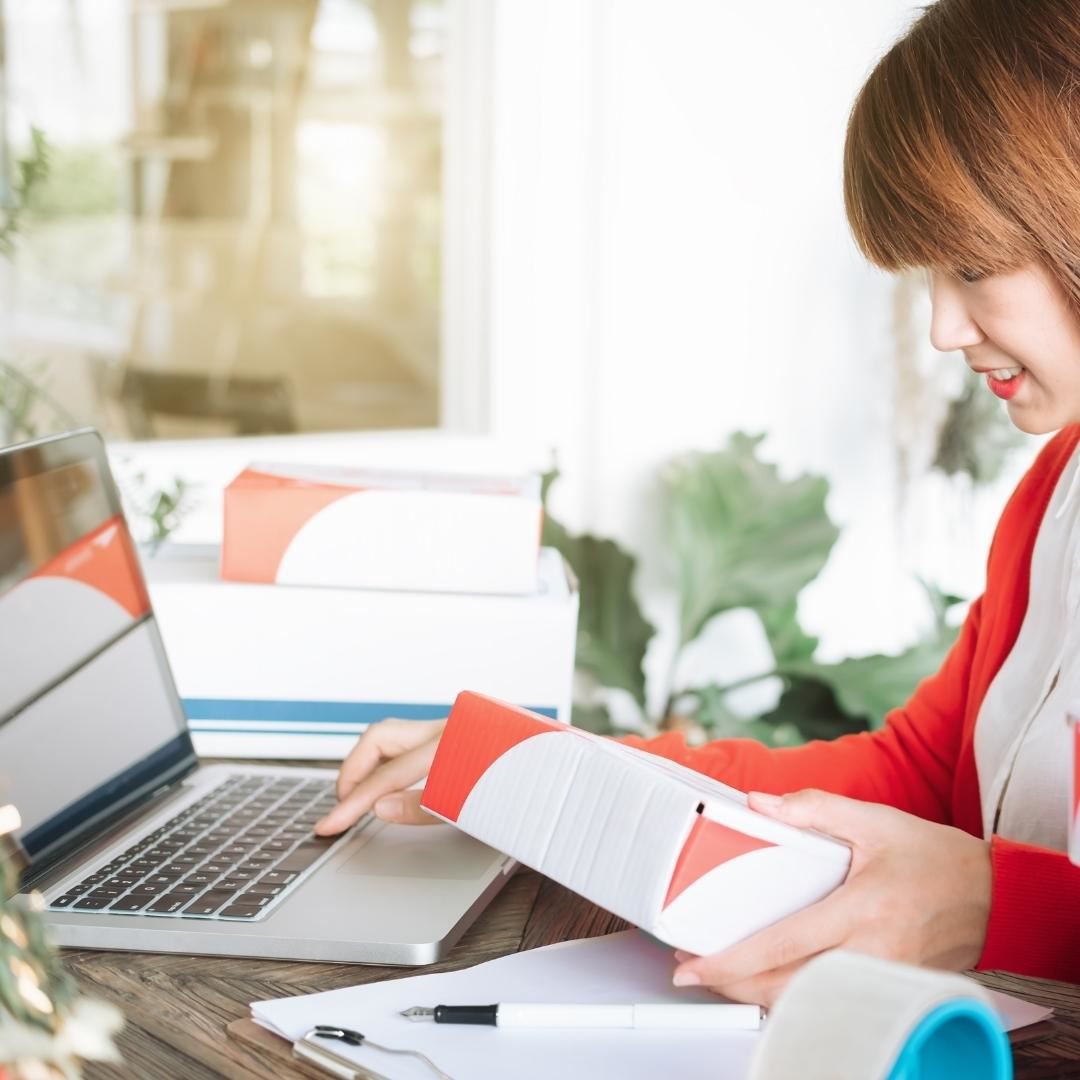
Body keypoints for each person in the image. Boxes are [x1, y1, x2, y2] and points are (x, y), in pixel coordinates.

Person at [316, 0, 1080, 1006]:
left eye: (973, 268)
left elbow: (989, 872)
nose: (943, 325)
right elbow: (916, 777)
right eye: (932, 274)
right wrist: (565, 772)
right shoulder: (1054, 492)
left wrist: (998, 902)